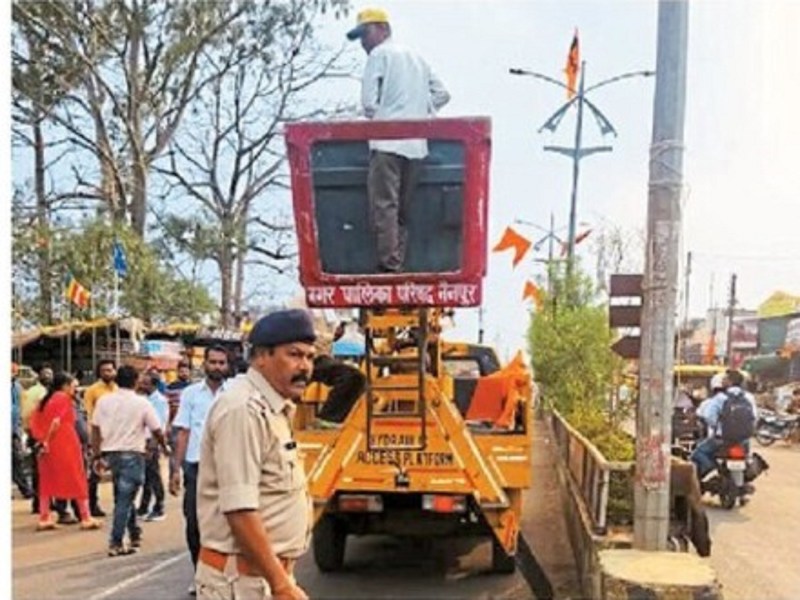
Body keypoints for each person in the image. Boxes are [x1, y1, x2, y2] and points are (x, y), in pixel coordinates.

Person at [195, 309, 315, 600]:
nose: (305, 367)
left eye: (310, 357)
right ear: (261, 356)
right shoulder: (243, 410)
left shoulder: (273, 408)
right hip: (242, 583)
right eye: (295, 355)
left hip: (262, 577)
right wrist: (281, 585)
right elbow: (240, 510)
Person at [347, 6, 451, 273]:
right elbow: (442, 94)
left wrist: (388, 113)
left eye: (365, 34)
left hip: (386, 144)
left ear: (382, 29)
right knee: (402, 209)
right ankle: (398, 260)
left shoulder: (379, 55)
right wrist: (418, 111)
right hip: (416, 147)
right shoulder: (417, 57)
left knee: (384, 207)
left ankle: (389, 265)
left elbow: (369, 104)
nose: (363, 42)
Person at [170, 346, 230, 594]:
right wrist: (175, 468)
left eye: (221, 363)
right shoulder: (191, 394)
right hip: (196, 467)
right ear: (204, 364)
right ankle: (200, 575)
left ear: (227, 365)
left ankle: (225, 576)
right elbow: (183, 431)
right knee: (195, 525)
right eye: (213, 362)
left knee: (229, 525)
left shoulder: (235, 393)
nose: (217, 367)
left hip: (228, 468)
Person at [91, 365, 169, 557]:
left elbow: (95, 428)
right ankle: (116, 541)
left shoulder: (104, 401)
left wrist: (96, 454)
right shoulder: (141, 403)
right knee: (124, 499)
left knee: (124, 496)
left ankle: (134, 533)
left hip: (111, 454)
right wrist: (164, 446)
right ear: (135, 382)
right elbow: (156, 429)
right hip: (133, 454)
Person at [28, 372, 101, 532]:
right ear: (65, 385)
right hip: (64, 442)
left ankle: (44, 517)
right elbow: (56, 421)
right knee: (77, 477)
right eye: (74, 386)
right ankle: (85, 516)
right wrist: (47, 439)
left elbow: (33, 421)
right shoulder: (63, 398)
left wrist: (42, 441)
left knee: (47, 481)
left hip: (47, 445)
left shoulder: (45, 400)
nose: (75, 389)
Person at [690, 369, 757, 481]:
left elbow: (708, 416)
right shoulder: (749, 397)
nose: (723, 381)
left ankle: (712, 470)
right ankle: (744, 481)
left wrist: (717, 426)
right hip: (743, 440)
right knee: (746, 458)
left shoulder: (720, 398)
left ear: (729, 382)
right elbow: (754, 417)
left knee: (697, 452)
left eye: (725, 379)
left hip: (721, 440)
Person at [83, 359, 119, 517]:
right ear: (99, 372)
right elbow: (88, 415)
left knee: (118, 473)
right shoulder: (92, 391)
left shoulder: (118, 389)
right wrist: (92, 440)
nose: (108, 373)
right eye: (104, 370)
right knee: (95, 474)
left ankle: (120, 504)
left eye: (110, 370)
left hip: (116, 436)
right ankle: (92, 505)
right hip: (99, 437)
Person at [137, 370, 170, 521]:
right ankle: (144, 507)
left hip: (152, 442)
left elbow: (159, 426)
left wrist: (153, 445)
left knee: (154, 476)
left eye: (145, 382)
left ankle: (159, 506)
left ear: (153, 385)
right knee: (147, 477)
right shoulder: (142, 399)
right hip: (141, 441)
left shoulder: (160, 401)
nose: (142, 384)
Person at [312, 354, 366, 427]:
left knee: (357, 379)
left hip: (324, 361)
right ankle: (328, 418)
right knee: (353, 377)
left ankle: (333, 417)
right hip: (314, 361)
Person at [11, 363, 34, 500]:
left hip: (14, 429)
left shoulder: (18, 387)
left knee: (17, 460)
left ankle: (25, 489)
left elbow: (20, 408)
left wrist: (20, 427)